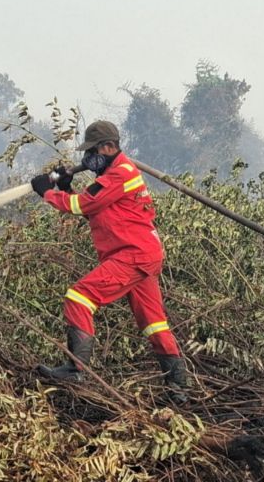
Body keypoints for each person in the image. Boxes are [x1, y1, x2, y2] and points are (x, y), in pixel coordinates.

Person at [29, 120, 188, 402]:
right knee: (154, 323)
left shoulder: (122, 173)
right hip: (140, 254)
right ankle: (178, 389)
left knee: (78, 297)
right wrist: (65, 188)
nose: (87, 159)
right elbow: (93, 209)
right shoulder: (114, 175)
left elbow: (84, 205)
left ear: (109, 147)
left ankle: (75, 369)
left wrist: (47, 192)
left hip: (132, 255)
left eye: (91, 152)